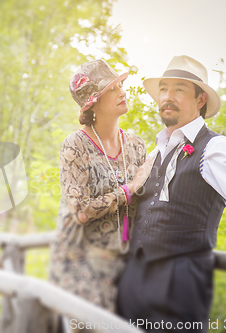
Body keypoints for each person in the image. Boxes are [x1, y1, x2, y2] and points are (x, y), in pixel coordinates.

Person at [117, 55, 226, 332]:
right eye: (164, 89)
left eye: (179, 89)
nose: (168, 97)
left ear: (201, 99)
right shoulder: (155, 152)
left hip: (179, 284)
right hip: (133, 279)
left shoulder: (215, 148)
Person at [48, 59, 151, 327]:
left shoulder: (137, 146)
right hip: (79, 260)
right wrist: (128, 190)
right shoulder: (75, 145)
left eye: (120, 85)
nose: (122, 92)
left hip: (123, 259)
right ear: (93, 103)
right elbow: (81, 211)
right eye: (112, 89)